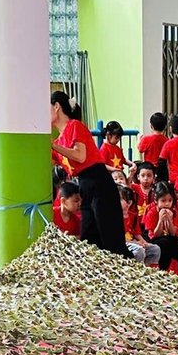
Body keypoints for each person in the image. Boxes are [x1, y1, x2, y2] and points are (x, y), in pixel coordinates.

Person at [52, 91, 123, 257]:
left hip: (99, 182)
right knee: (89, 238)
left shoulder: (74, 125)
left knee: (110, 238)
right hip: (85, 185)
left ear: (56, 107)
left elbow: (80, 156)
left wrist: (53, 146)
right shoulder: (57, 141)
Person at [142, 183, 178, 274]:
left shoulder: (174, 211)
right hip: (155, 240)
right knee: (167, 243)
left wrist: (169, 220)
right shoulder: (151, 212)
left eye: (170, 200)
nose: (167, 204)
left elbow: (173, 233)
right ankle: (162, 270)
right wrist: (160, 220)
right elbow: (154, 235)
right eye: (163, 200)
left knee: (176, 242)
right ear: (156, 200)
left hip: (170, 239)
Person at [120, 186, 161, 266]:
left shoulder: (133, 216)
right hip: (125, 243)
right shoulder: (115, 218)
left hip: (133, 242)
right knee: (139, 251)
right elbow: (119, 239)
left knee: (155, 249)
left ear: (129, 203)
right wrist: (136, 243)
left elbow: (137, 234)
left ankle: (149, 269)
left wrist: (144, 243)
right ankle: (137, 270)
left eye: (121, 199)